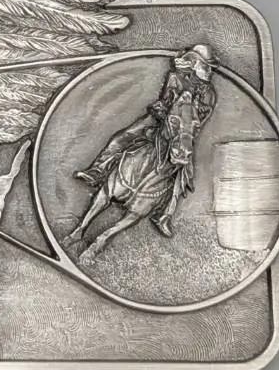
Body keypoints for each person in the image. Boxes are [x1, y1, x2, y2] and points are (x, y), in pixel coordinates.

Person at [75, 44, 217, 237]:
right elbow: (166, 100)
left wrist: (185, 126)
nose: (208, 70)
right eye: (205, 65)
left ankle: (164, 214)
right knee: (124, 136)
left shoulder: (209, 94)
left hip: (183, 131)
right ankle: (98, 169)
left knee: (183, 171)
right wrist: (163, 111)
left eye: (209, 67)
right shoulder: (175, 77)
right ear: (194, 63)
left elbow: (200, 119)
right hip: (160, 120)